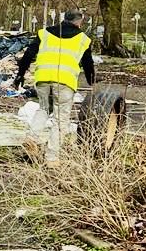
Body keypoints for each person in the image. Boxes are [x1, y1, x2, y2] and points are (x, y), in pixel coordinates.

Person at [14, 10, 94, 163]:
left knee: (43, 109)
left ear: (64, 19)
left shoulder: (45, 33)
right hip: (64, 82)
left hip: (43, 79)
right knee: (60, 120)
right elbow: (88, 64)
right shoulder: (83, 39)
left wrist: (20, 74)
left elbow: (29, 54)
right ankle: (52, 158)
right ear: (79, 21)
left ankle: (31, 139)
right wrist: (92, 81)